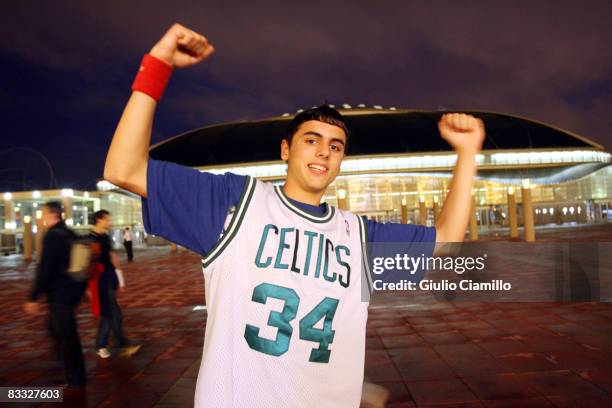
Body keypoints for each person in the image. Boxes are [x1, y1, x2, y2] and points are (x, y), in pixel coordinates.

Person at [103, 24, 484, 407]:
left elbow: (446, 239)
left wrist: (468, 154)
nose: (324, 152)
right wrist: (158, 63)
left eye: (335, 146)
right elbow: (123, 168)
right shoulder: (235, 203)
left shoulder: (356, 235)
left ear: (340, 161)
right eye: (311, 140)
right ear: (286, 150)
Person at [23, 201, 87, 387]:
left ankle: (75, 379)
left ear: (52, 214)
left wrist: (33, 296)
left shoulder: (52, 236)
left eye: (43, 213)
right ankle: (66, 368)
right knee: (56, 328)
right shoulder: (69, 233)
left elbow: (45, 268)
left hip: (60, 294)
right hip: (72, 291)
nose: (41, 217)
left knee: (67, 337)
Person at [89, 210, 140, 358]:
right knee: (109, 314)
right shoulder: (92, 239)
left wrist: (120, 277)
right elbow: (90, 263)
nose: (109, 222)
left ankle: (117, 344)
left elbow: (112, 257)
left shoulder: (104, 237)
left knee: (114, 314)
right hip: (100, 280)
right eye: (107, 219)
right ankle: (105, 345)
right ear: (99, 220)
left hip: (109, 277)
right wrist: (89, 287)